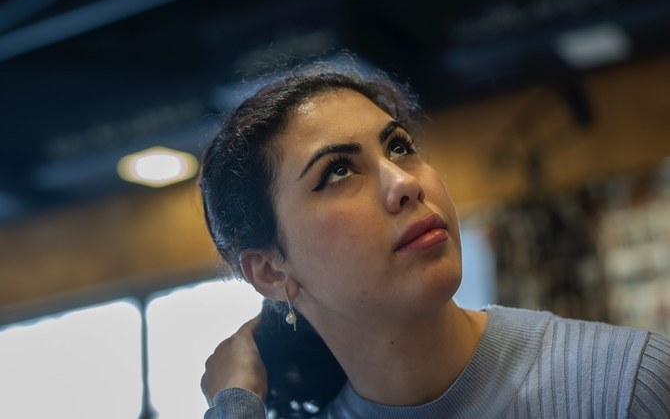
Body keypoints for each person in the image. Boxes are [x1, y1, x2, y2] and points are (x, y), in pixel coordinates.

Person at [198, 61, 670, 419]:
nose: (404, 183)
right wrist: (235, 405)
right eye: (338, 171)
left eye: (399, 146)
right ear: (270, 271)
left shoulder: (626, 387)